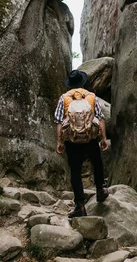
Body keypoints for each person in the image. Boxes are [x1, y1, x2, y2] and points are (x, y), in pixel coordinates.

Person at [54, 69, 109, 218]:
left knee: (75, 171)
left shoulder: (64, 98)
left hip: (72, 141)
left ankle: (80, 206)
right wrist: (103, 138)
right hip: (90, 138)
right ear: (83, 82)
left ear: (70, 85)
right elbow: (100, 118)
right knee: (97, 163)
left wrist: (60, 141)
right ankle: (100, 191)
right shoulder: (91, 97)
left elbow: (59, 121)